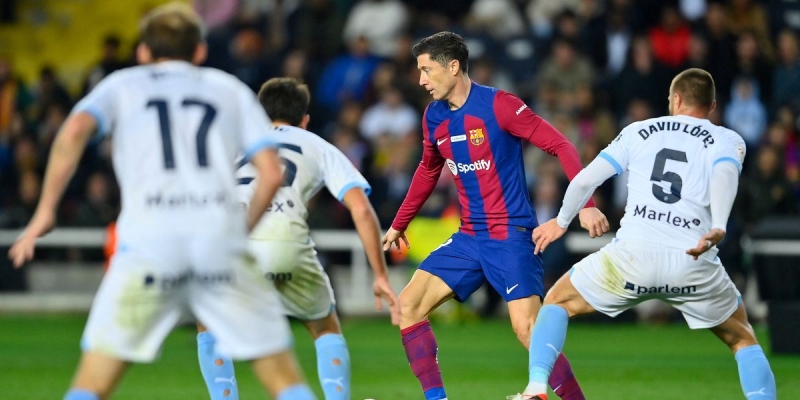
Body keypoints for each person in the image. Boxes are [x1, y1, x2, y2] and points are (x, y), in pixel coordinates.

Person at [7, 4, 317, 400]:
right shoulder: (229, 89)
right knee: (286, 383)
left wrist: (45, 211)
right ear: (200, 51)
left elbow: (74, 130)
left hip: (148, 242)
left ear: (143, 52)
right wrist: (238, 233)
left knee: (92, 386)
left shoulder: (123, 85)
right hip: (216, 241)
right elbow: (271, 173)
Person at [515, 68, 776, 400]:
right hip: (691, 258)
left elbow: (584, 180)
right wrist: (720, 225)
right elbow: (725, 175)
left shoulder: (639, 130)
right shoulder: (727, 139)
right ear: (712, 106)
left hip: (632, 257)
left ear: (675, 99)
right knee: (742, 338)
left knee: (556, 301)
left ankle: (536, 388)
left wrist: (562, 220)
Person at [381, 31, 609, 400]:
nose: (421, 80)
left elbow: (561, 145)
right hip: (469, 237)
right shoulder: (433, 116)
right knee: (408, 306)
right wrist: (399, 223)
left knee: (528, 330)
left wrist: (586, 204)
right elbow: (427, 170)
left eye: (426, 70)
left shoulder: (500, 105)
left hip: (510, 236)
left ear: (453, 67)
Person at [197, 77, 401, 400]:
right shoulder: (318, 145)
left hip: (238, 244)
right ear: (304, 120)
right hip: (288, 244)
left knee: (208, 325)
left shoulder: (234, 143)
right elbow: (361, 209)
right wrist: (380, 275)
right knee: (324, 327)